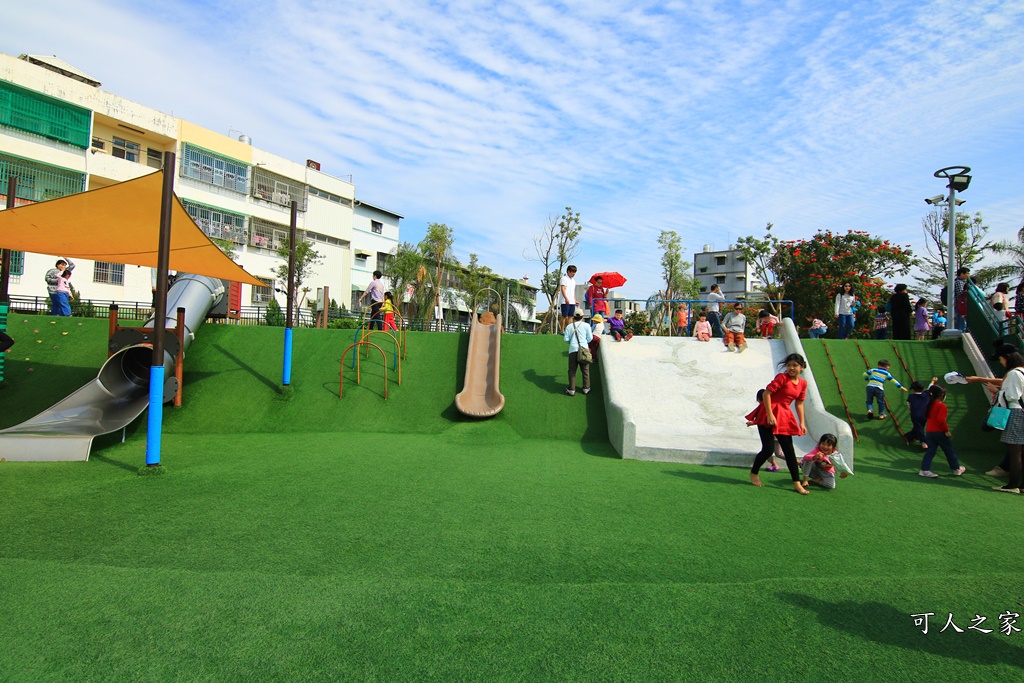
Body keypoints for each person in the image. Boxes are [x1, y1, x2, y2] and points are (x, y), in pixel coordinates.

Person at [964, 344, 1024, 493]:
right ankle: (1020, 485)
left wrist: (995, 391)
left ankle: (1012, 485)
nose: (1002, 362)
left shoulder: (1013, 374)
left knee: (1015, 450)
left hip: (1016, 412)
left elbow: (1011, 396)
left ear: (1007, 358)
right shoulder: (1022, 371)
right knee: (1020, 450)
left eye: (1002, 359)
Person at [749, 353, 810, 495]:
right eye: (789, 365)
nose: (791, 368)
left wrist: (802, 423)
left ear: (802, 367)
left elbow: (799, 403)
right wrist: (770, 414)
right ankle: (754, 473)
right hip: (767, 413)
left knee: (789, 451)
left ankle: (797, 483)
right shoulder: (782, 378)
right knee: (768, 449)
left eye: (795, 365)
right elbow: (766, 394)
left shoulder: (803, 384)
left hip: (784, 415)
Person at [918, 384, 966, 478]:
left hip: (929, 432)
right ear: (941, 395)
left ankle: (924, 470)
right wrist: (946, 431)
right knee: (949, 451)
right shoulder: (941, 406)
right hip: (939, 432)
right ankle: (956, 468)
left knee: (930, 451)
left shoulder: (929, 405)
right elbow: (941, 420)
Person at [745, 389, 781, 471]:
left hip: (772, 432)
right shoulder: (771, 405)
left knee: (771, 451)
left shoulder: (764, 406)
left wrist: (753, 422)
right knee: (770, 450)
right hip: (776, 431)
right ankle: (774, 464)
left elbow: (762, 419)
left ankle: (798, 462)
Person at [563, 311, 593, 396]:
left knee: (572, 370)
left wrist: (572, 342)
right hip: (583, 349)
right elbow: (590, 338)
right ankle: (586, 388)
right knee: (585, 369)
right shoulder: (586, 325)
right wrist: (584, 343)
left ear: (573, 317)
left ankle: (571, 389)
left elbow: (566, 339)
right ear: (582, 317)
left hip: (573, 350)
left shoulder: (569, 326)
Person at [906, 377, 938, 450]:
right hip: (925, 414)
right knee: (920, 426)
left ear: (913, 390)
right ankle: (911, 436)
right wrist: (932, 381)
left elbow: (909, 405)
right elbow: (930, 387)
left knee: (919, 427)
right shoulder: (926, 394)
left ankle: (924, 442)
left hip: (915, 415)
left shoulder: (911, 397)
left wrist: (912, 410)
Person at [559, 265, 578, 332]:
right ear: (568, 271)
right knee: (564, 316)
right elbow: (563, 289)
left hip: (572, 301)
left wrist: (575, 300)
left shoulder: (573, 281)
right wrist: (566, 298)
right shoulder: (564, 279)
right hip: (565, 301)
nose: (573, 274)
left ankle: (569, 330)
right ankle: (562, 330)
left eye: (574, 272)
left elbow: (573, 292)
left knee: (571, 316)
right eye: (572, 272)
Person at [953, 267, 970, 332]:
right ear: (962, 274)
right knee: (960, 320)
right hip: (959, 304)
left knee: (961, 320)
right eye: (967, 273)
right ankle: (960, 333)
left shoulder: (961, 282)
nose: (968, 275)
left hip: (959, 304)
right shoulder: (959, 282)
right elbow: (960, 294)